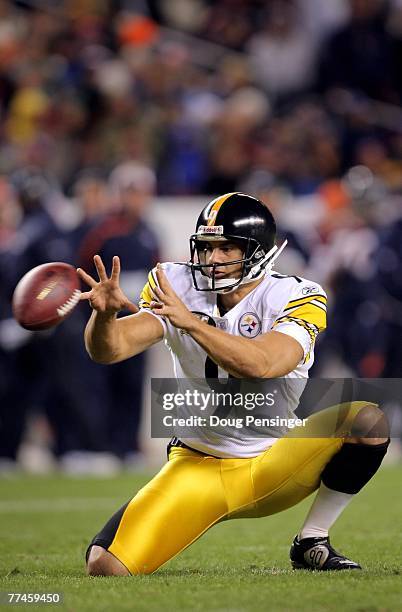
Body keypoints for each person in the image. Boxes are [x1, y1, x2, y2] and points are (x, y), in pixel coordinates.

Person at [78, 192, 389, 576]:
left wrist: (191, 323)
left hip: (276, 459)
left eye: (227, 248)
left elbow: (262, 363)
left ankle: (312, 540)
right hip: (197, 463)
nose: (214, 259)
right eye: (207, 247)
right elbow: (111, 350)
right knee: (105, 567)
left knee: (368, 420)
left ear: (260, 251)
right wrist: (104, 318)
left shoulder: (298, 294)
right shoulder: (175, 282)